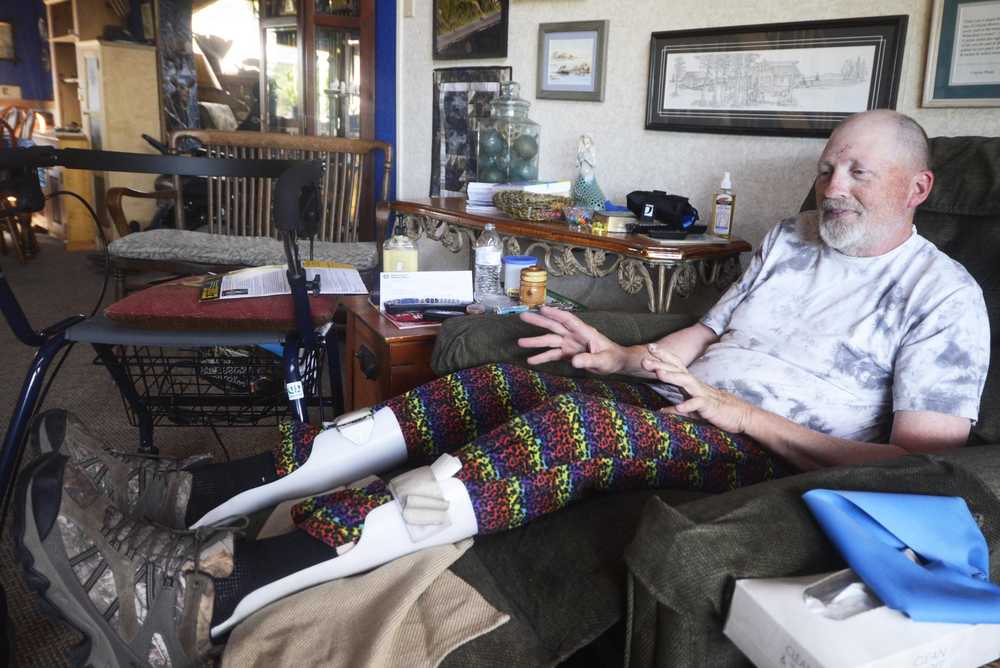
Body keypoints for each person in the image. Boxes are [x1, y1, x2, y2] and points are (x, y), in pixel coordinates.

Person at [15, 110, 989, 667]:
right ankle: (195, 492)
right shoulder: (787, 242)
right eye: (829, 167)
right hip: (686, 398)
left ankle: (201, 601)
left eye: (858, 171)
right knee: (473, 387)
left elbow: (918, 457)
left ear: (916, 186)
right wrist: (617, 354)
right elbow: (705, 332)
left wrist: (735, 411)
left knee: (564, 426)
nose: (832, 187)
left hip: (761, 443)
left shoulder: (943, 300)